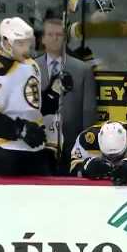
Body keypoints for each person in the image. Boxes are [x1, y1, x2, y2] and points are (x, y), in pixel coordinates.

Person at [0, 17, 56, 176]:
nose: (25, 48)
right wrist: (20, 130)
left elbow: (32, 106)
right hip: (5, 153)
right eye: (20, 43)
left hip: (35, 149)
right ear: (6, 42)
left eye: (27, 43)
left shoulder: (31, 64)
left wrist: (54, 93)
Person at [35, 18, 97, 174]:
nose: (55, 38)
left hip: (72, 144)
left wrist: (85, 144)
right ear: (42, 39)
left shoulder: (82, 70)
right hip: (39, 144)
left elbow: (88, 110)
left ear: (65, 38)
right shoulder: (30, 68)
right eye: (50, 34)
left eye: (59, 34)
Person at [70, 121, 127, 185]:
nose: (113, 162)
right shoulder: (86, 140)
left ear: (126, 144)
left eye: (117, 156)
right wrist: (86, 166)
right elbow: (72, 171)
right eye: (108, 156)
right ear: (99, 144)